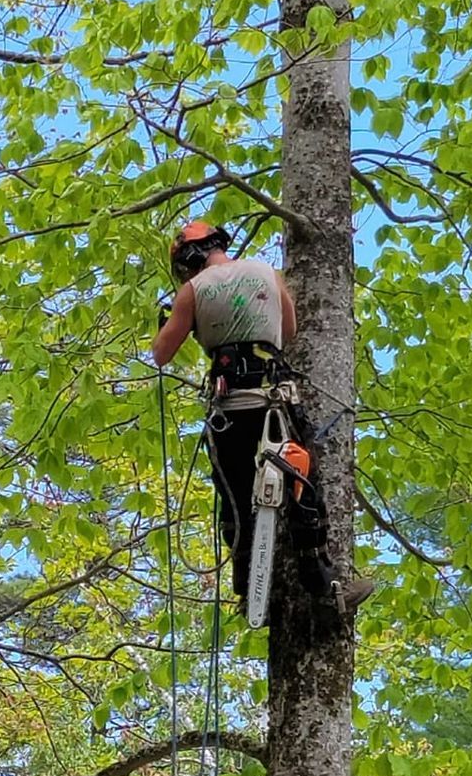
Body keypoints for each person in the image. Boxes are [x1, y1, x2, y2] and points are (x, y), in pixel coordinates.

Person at [149, 222, 373, 619]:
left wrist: (165, 321)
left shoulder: (192, 292)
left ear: (190, 257)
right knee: (303, 483)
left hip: (230, 410)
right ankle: (324, 589)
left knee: (234, 497)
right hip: (275, 400)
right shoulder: (267, 274)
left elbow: (162, 353)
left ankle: (247, 589)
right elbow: (288, 329)